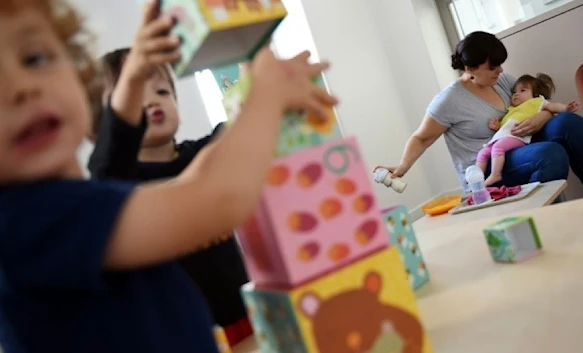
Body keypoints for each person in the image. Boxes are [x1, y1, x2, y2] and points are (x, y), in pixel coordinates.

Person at [0, 1, 337, 353]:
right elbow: (217, 195)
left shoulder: (60, 207)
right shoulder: (30, 221)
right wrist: (267, 94)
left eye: (35, 59)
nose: (21, 87)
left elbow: (209, 164)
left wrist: (135, 71)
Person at [88, 46, 251, 344]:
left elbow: (243, 125)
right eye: (135, 96)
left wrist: (251, 69)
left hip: (243, 313)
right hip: (183, 336)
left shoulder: (199, 152)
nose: (152, 101)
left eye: (162, 91)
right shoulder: (118, 183)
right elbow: (103, 168)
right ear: (106, 127)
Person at [375, 31, 583, 195]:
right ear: (470, 69)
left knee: (569, 123)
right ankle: (541, 220)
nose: (500, 70)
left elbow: (537, 103)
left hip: (520, 144)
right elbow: (422, 137)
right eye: (493, 67)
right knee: (550, 154)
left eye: (500, 64)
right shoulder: (449, 100)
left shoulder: (501, 80)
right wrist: (402, 167)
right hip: (487, 166)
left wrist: (545, 115)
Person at [477, 73, 579, 186]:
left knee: (497, 148)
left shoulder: (537, 102)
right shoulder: (512, 109)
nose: (516, 94)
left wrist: (565, 108)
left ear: (535, 94)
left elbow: (553, 107)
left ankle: (495, 174)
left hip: (517, 138)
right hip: (502, 137)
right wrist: (497, 126)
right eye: (514, 92)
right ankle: (477, 180)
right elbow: (505, 126)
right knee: (483, 152)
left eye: (522, 90)